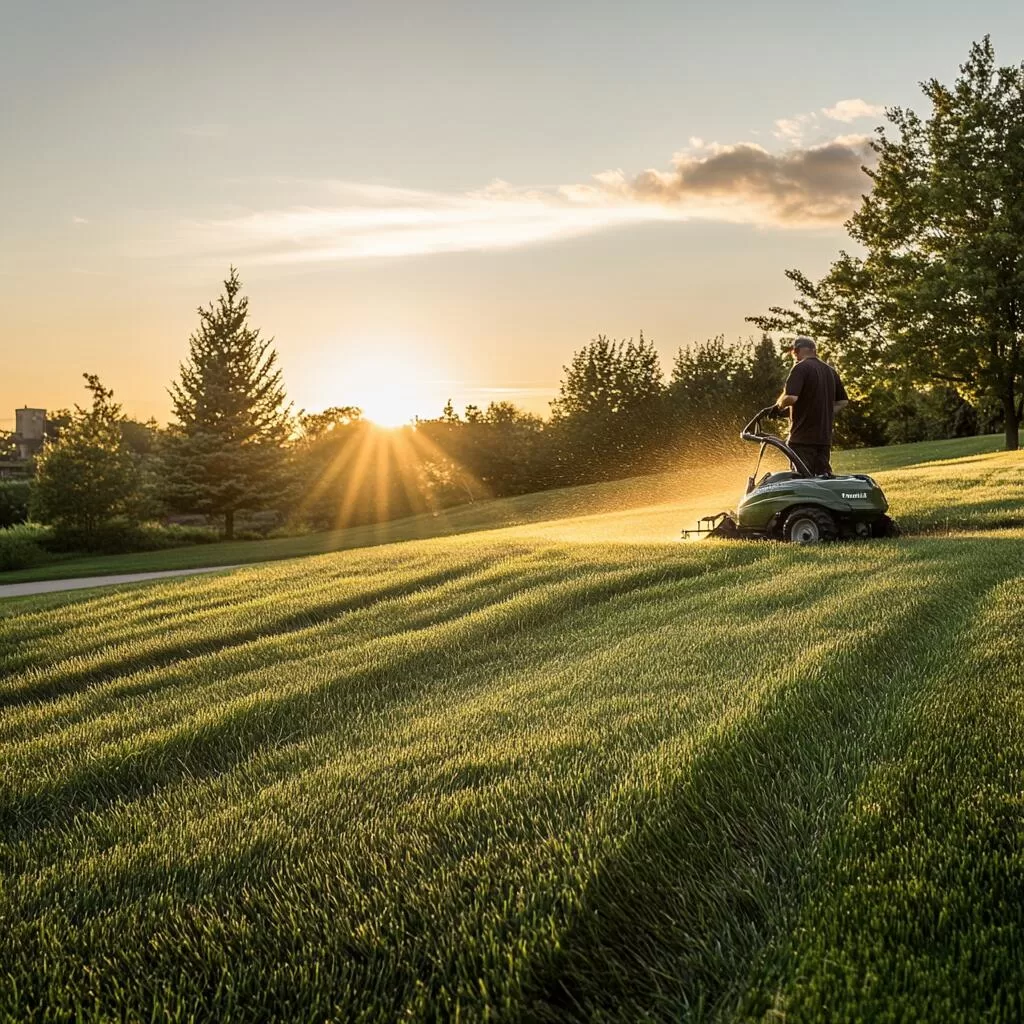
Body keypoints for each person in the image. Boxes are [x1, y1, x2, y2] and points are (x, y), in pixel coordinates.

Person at [775, 336, 848, 476]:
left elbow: (791, 397)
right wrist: (825, 413)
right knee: (823, 479)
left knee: (801, 481)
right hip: (823, 439)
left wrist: (778, 406)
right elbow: (843, 402)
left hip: (802, 439)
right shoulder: (830, 371)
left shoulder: (800, 368)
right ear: (814, 350)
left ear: (796, 351)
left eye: (793, 352)